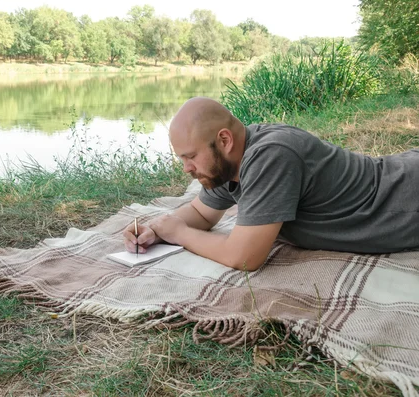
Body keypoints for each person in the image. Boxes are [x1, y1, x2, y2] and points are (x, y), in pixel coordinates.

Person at [123, 96, 419, 271]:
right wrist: (158, 230)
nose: (187, 168)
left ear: (224, 140)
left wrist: (180, 233)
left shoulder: (271, 156)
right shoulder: (228, 164)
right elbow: (202, 213)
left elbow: (244, 257)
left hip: (406, 199)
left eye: (190, 157)